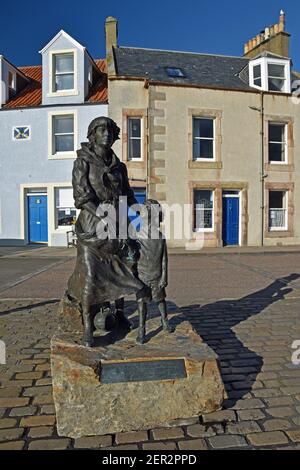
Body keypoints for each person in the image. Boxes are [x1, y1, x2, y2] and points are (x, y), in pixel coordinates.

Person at [67, 117, 145, 347]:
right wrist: (102, 215)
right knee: (91, 276)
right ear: (92, 134)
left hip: (118, 226)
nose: (107, 134)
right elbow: (81, 197)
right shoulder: (82, 162)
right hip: (93, 227)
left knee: (127, 269)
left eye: (111, 130)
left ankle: (119, 314)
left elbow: (128, 194)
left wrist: (139, 211)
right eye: (102, 129)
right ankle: (89, 326)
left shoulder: (119, 166)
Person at [134, 199, 174, 344]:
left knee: (160, 300)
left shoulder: (160, 237)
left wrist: (165, 277)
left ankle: (165, 321)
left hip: (157, 275)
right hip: (142, 275)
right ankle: (141, 329)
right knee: (141, 303)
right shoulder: (137, 236)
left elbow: (164, 259)